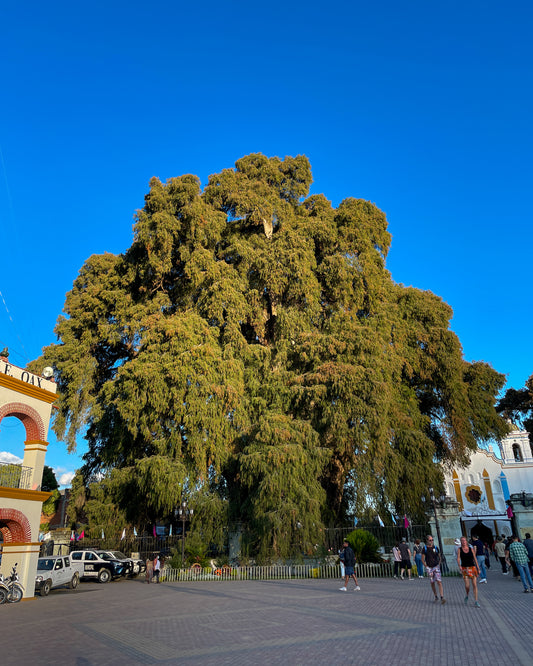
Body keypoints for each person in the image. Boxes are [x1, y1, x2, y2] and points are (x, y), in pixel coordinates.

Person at [421, 535, 446, 604]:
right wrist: (426, 566)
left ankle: (442, 596)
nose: (431, 541)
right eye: (430, 540)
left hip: (436, 566)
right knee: (432, 582)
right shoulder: (425, 548)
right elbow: (422, 559)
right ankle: (435, 595)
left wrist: (439, 563)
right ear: (427, 541)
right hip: (429, 567)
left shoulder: (435, 547)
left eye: (432, 540)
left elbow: (439, 556)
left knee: (439, 581)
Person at [457, 536, 481, 607]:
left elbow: (475, 558)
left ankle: (476, 600)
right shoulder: (459, 549)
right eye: (462, 541)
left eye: (464, 541)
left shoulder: (471, 549)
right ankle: (467, 595)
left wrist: (478, 568)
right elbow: (458, 558)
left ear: (466, 541)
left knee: (474, 585)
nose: (463, 542)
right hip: (465, 568)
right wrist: (459, 565)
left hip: (472, 567)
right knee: (467, 586)